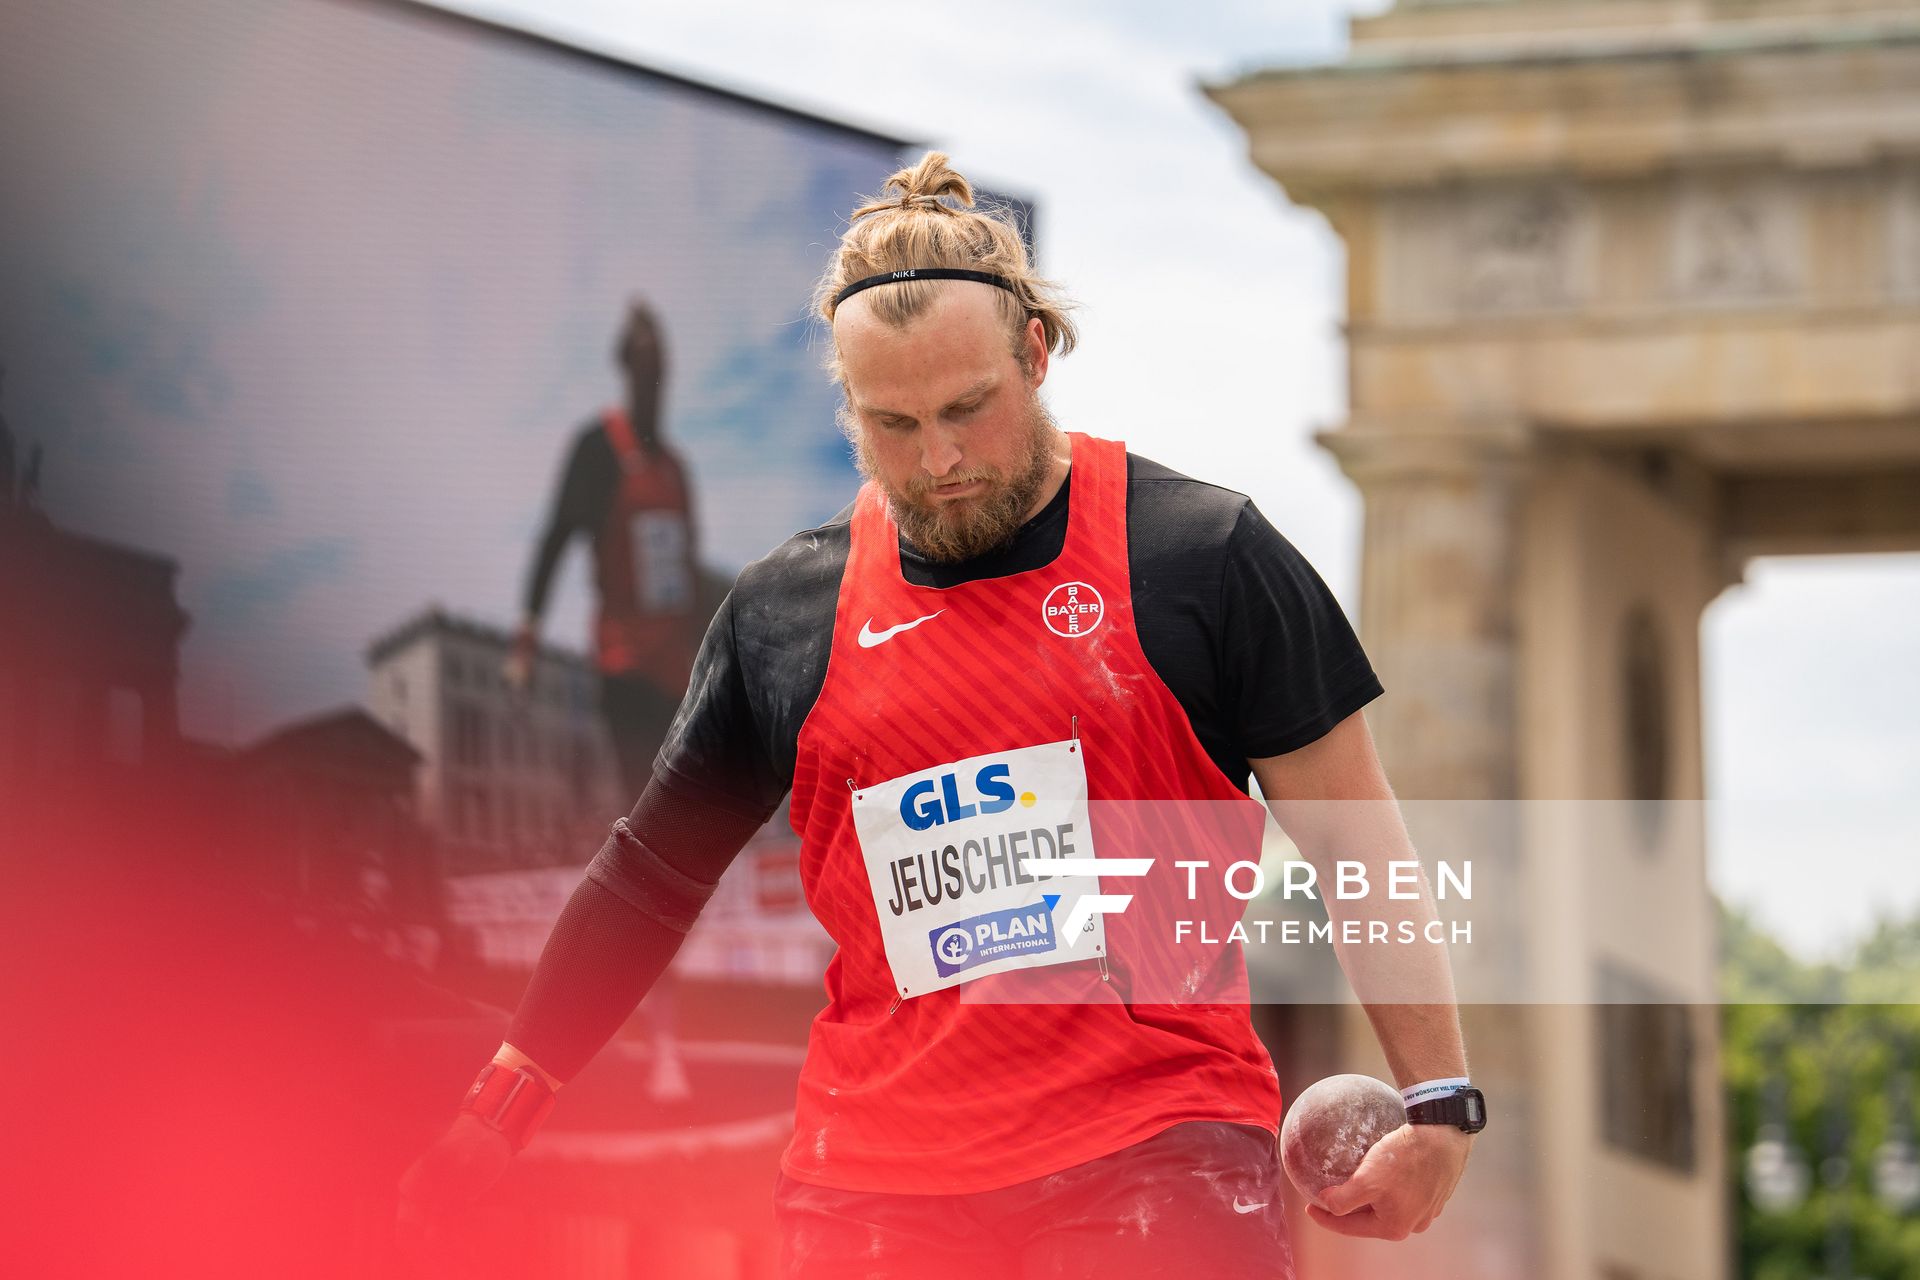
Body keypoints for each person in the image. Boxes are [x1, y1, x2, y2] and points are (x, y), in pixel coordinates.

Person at [400, 153, 1477, 1277]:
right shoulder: (785, 613)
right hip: (870, 1185)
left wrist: (1441, 1100)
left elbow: (1359, 843)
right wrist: (497, 1109)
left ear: (1037, 352)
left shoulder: (1203, 557)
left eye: (969, 407)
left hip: (1156, 1151)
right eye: (894, 424)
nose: (941, 456)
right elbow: (649, 876)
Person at [505, 299, 698, 1101]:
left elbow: (686, 577)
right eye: (644, 366)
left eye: (664, 368)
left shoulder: (677, 470)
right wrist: (526, 626)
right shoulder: (597, 449)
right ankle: (660, 1038)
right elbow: (554, 535)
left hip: (676, 676)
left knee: (687, 851)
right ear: (629, 371)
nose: (655, 381)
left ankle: (649, 1019)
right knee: (644, 845)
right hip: (622, 675)